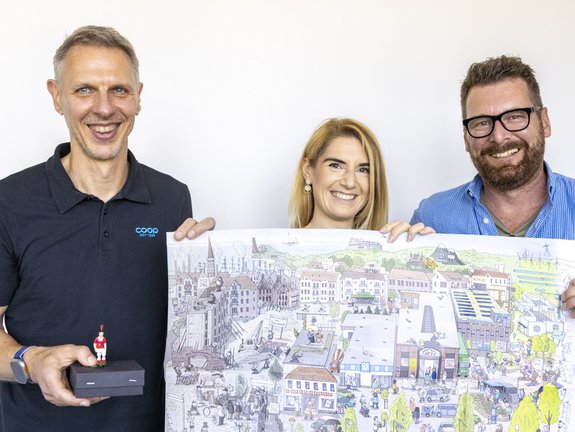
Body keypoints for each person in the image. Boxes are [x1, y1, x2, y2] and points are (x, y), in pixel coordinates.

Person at [0, 26, 214, 431]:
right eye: (84, 90)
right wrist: (29, 360)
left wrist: (210, 262)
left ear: (138, 97)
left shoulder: (172, 198)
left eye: (119, 90)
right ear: (56, 96)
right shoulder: (9, 201)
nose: (104, 108)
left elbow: (189, 324)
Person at [409, 55, 575, 315]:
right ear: (466, 138)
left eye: (515, 117)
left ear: (544, 122)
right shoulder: (432, 217)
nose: (499, 136)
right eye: (482, 123)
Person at [288, 117, 434, 240]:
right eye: (336, 165)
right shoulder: (273, 251)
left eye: (363, 170)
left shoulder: (387, 252)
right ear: (308, 171)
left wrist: (419, 248)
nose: (350, 183)